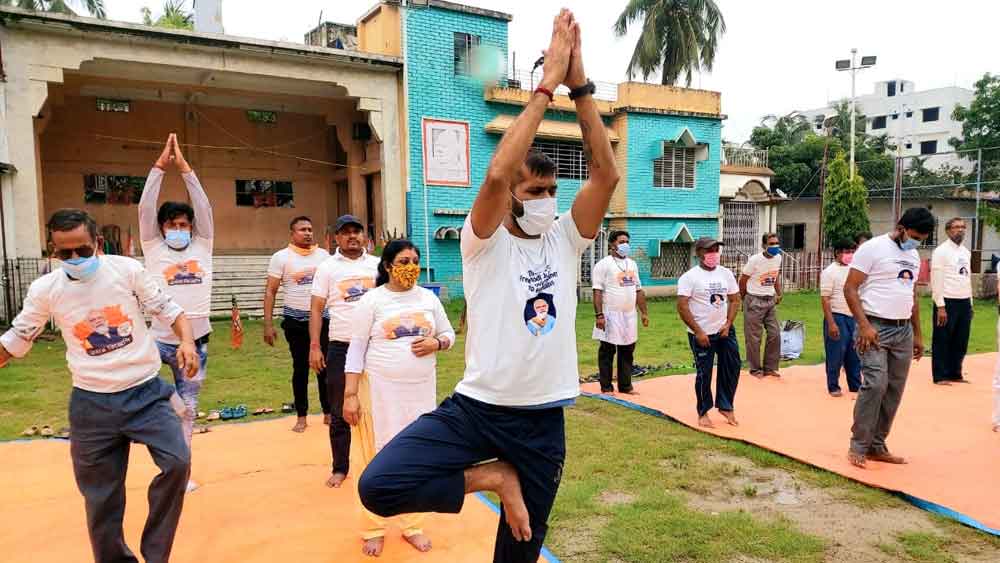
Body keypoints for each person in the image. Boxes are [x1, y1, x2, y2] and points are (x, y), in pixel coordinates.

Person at [357, 11, 619, 562]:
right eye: (535, 189)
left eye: (551, 188)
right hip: (476, 411)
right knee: (378, 486)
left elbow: (606, 175)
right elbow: (497, 176)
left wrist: (581, 86)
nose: (546, 198)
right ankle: (495, 477)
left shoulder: (566, 240)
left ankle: (511, 479)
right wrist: (545, 85)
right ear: (513, 198)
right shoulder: (484, 241)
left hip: (543, 422)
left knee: (520, 553)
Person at [0, 209, 198, 562]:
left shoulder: (126, 271)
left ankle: (156, 556)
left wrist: (185, 342)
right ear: (53, 251)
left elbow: (170, 310)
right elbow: (17, 338)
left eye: (83, 250)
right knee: (100, 497)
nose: (75, 259)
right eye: (65, 253)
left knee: (178, 462)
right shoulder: (46, 290)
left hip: (146, 391)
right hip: (91, 405)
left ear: (98, 244)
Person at [342, 240, 455, 557]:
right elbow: (355, 350)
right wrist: (350, 394)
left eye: (415, 261)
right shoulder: (372, 301)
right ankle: (373, 527)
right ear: (388, 266)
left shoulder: (429, 299)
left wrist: (437, 343)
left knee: (417, 458)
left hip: (420, 392)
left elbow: (449, 335)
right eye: (404, 261)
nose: (411, 267)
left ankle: (412, 524)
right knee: (374, 458)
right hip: (379, 391)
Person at [139, 133, 213, 492]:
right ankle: (162, 455)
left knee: (188, 410)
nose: (179, 230)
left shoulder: (203, 245)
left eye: (184, 225)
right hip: (159, 342)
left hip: (196, 344)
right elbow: (144, 208)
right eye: (173, 225)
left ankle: (181, 474)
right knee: (162, 405)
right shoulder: (153, 248)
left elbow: (204, 208)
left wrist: (185, 169)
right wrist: (159, 167)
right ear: (163, 228)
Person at [844, 207, 933, 468]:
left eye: (922, 239)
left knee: (894, 389)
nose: (917, 241)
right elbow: (850, 287)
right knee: (875, 384)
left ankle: (877, 445)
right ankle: (858, 445)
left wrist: (917, 334)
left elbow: (912, 296)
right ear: (901, 227)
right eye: (915, 235)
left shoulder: (914, 256)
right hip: (874, 327)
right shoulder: (873, 248)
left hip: (903, 330)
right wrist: (863, 325)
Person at [309, 214, 380, 488]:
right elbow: (316, 309)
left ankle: (379, 464)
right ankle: (340, 468)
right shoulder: (327, 268)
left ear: (364, 236)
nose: (352, 236)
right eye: (346, 232)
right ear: (336, 238)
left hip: (376, 346)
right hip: (341, 345)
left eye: (356, 231)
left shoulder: (377, 266)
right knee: (340, 410)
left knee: (377, 406)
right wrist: (316, 346)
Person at [264, 216, 332, 432]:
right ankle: (301, 416)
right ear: (292, 233)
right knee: (300, 368)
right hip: (295, 321)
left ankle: (328, 412)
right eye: (302, 229)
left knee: (325, 368)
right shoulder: (281, 258)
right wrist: (268, 324)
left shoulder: (324, 256)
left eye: (310, 229)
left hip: (323, 320)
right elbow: (270, 291)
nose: (308, 233)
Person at [678, 237, 742, 428]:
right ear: (698, 253)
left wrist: (728, 323)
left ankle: (726, 405)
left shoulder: (726, 274)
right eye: (709, 250)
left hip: (724, 330)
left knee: (732, 366)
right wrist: (698, 331)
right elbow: (682, 306)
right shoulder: (690, 277)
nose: (714, 254)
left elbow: (735, 299)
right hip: (702, 333)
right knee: (704, 372)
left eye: (716, 250)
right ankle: (703, 411)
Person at [591, 230, 648, 394]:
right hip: (610, 314)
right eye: (622, 241)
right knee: (607, 351)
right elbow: (597, 291)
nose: (625, 245)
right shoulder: (604, 264)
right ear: (612, 244)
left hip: (629, 315)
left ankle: (625, 385)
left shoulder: (632, 264)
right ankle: (606, 386)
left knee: (628, 350)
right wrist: (599, 315)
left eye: (627, 242)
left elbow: (638, 290)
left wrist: (644, 313)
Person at [930, 218, 973, 385]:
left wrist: (971, 303)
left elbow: (967, 278)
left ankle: (955, 373)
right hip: (947, 301)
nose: (960, 230)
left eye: (963, 227)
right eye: (956, 227)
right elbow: (936, 280)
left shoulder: (966, 252)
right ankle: (940, 375)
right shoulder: (941, 251)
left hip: (964, 301)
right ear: (948, 231)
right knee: (942, 339)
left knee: (961, 340)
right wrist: (940, 305)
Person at [821, 239, 861, 397]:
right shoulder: (829, 272)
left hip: (853, 316)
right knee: (836, 353)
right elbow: (825, 298)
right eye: (847, 251)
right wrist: (831, 323)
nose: (850, 255)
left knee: (855, 354)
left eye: (852, 251)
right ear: (837, 253)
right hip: (837, 316)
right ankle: (833, 386)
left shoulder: (854, 270)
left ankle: (855, 385)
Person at [739, 233, 783, 378]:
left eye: (776, 243)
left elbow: (775, 276)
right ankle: (755, 369)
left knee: (775, 333)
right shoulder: (755, 260)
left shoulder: (778, 258)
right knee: (754, 337)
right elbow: (743, 280)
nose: (775, 246)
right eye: (771, 243)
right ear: (764, 245)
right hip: (754, 299)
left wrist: (779, 292)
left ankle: (770, 367)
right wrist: (744, 298)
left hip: (769, 299)